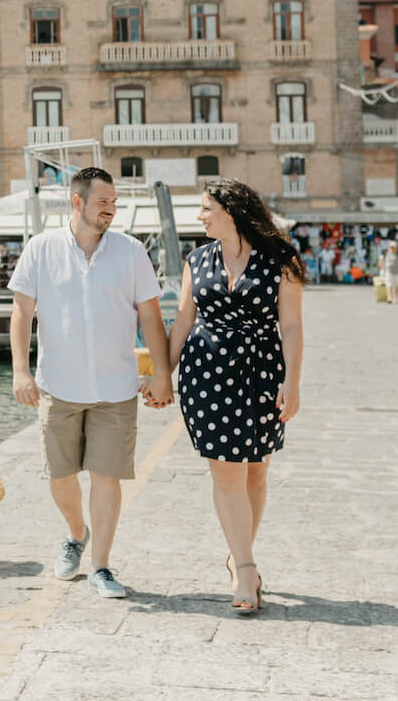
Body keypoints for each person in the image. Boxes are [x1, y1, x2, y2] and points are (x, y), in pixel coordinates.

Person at [9, 167, 172, 600]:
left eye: (114, 203)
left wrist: (162, 373)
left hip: (117, 389)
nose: (111, 211)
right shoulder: (40, 249)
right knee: (60, 476)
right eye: (104, 203)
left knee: (107, 477)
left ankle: (100, 565)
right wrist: (20, 371)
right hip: (57, 386)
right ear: (77, 202)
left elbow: (151, 318)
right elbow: (22, 313)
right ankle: (75, 532)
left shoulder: (132, 252)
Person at [166, 178, 304, 616]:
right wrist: (161, 376)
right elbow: (183, 320)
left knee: (256, 475)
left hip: (262, 373)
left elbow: (293, 327)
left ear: (232, 210)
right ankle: (245, 569)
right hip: (205, 374)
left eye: (206, 208)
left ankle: (237, 553)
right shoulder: (196, 259)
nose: (200, 216)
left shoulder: (282, 260)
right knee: (226, 474)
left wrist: (293, 382)